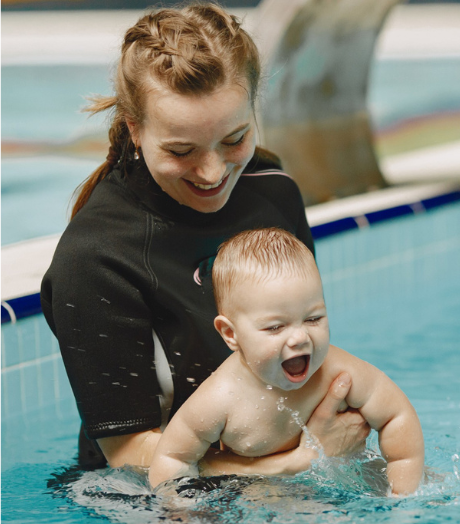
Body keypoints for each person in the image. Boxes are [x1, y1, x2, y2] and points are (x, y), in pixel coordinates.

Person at [40, 3, 369, 474]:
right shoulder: (95, 258)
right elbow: (128, 456)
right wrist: (300, 462)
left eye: (234, 138)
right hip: (147, 499)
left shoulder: (274, 193)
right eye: (181, 150)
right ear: (135, 128)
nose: (213, 173)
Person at [148, 228, 424, 494]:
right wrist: (179, 510)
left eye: (313, 318)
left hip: (348, 487)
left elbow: (397, 416)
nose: (300, 337)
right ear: (231, 334)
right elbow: (172, 459)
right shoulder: (220, 398)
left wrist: (403, 495)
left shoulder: (339, 371)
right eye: (275, 327)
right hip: (264, 499)